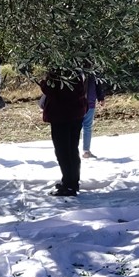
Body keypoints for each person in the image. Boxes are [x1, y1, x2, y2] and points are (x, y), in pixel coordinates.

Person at [39, 68, 90, 196]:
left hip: (60, 115)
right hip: (76, 114)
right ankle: (73, 182)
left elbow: (51, 90)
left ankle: (68, 185)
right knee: (73, 149)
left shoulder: (58, 71)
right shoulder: (77, 71)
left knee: (63, 152)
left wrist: (43, 83)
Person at [80, 72, 106, 158]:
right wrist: (101, 98)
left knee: (75, 127)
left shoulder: (74, 67)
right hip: (89, 102)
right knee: (87, 127)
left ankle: (72, 151)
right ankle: (86, 151)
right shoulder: (94, 70)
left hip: (76, 103)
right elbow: (98, 84)